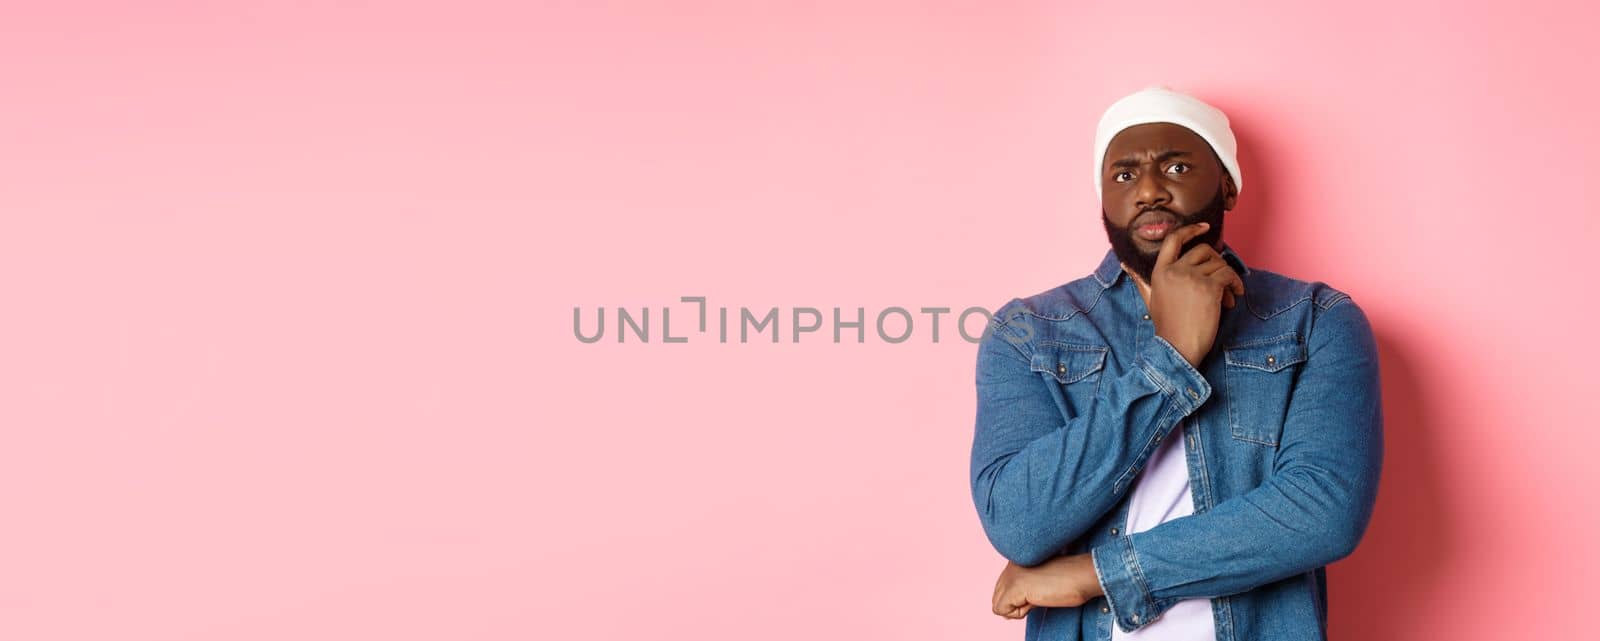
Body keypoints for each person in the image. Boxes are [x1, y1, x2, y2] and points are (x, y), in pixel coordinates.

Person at [969, 85, 1383, 641]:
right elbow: (1019, 524)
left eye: (1177, 166)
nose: (1147, 191)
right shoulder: (1030, 332)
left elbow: (1322, 512)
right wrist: (1170, 359)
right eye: (1123, 175)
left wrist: (1099, 574)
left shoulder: (1315, 320)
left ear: (1227, 186)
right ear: (1102, 199)